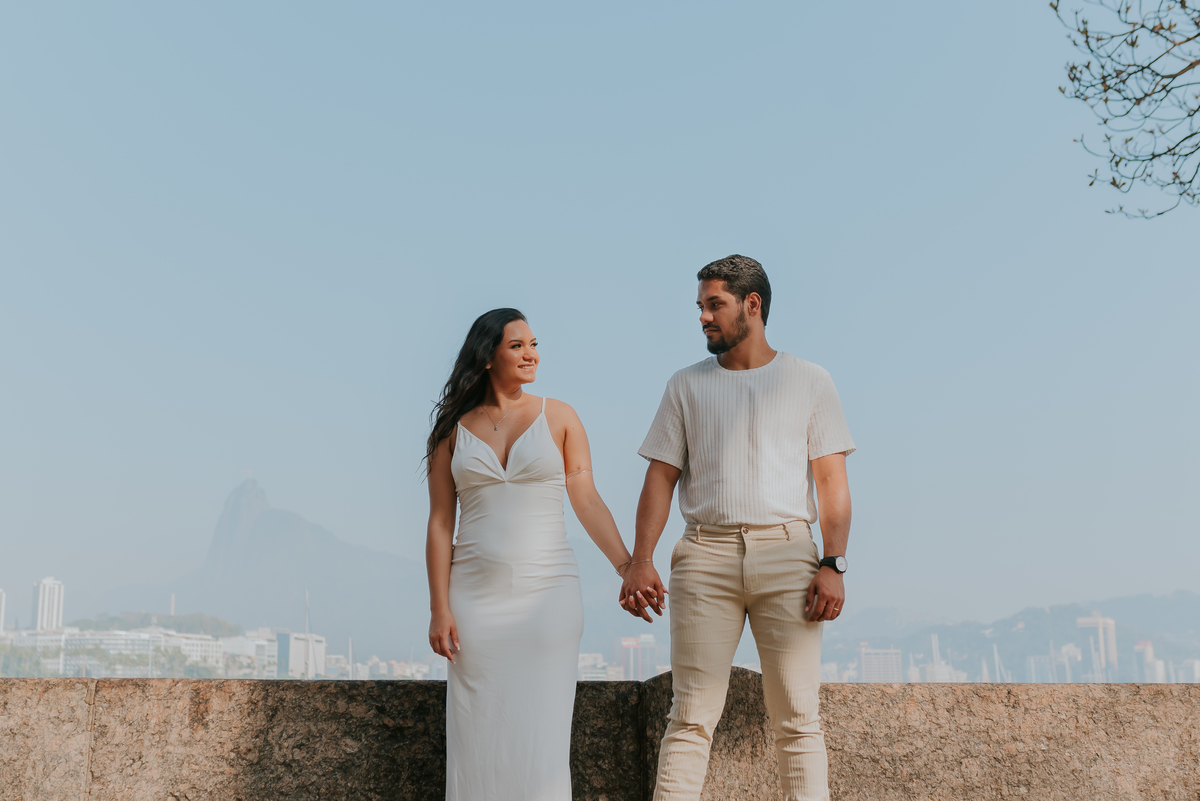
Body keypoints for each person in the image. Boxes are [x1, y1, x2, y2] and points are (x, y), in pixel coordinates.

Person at [620, 255, 855, 801]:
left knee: (798, 719)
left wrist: (833, 563)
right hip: (705, 556)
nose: (703, 316)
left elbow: (832, 481)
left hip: (789, 554)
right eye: (700, 306)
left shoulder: (810, 381)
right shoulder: (685, 386)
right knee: (690, 717)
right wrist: (641, 559)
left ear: (753, 305)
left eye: (714, 304)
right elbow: (659, 479)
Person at [425, 307, 635, 800]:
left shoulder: (559, 417)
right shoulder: (451, 431)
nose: (531, 354)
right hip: (473, 602)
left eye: (534, 344)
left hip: (549, 597)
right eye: (517, 345)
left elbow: (586, 498)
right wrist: (440, 608)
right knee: (476, 739)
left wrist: (627, 565)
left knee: (541, 740)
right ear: (487, 356)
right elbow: (439, 524)